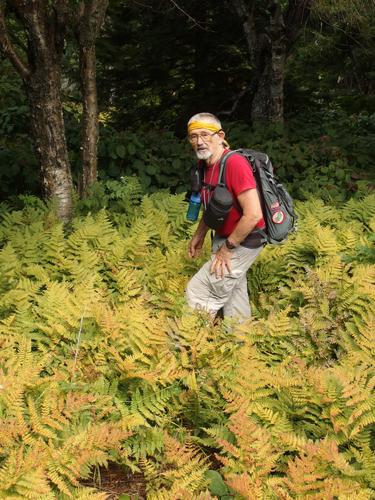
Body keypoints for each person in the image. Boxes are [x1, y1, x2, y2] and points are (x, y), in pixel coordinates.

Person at [185, 112, 266, 320]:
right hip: (223, 235)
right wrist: (200, 234)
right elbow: (211, 207)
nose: (199, 142)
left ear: (220, 136)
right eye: (193, 136)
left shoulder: (234, 164)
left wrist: (227, 249)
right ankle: (241, 345)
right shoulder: (205, 165)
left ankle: (186, 347)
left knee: (199, 293)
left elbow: (253, 214)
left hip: (245, 239)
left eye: (205, 134)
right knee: (233, 296)